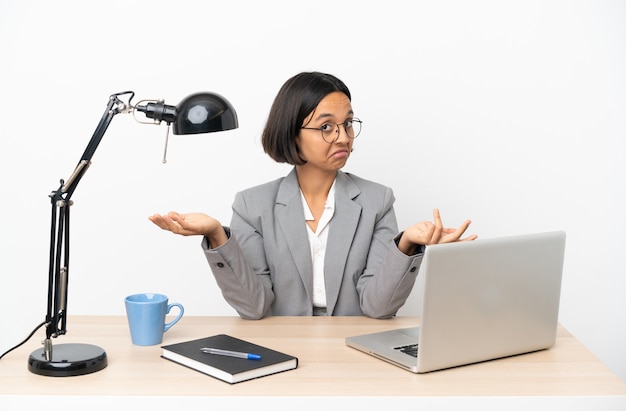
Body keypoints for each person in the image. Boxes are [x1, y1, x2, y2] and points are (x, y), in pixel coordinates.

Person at [149, 72, 477, 320]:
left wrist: (407, 244)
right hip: (281, 347)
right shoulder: (252, 206)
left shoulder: (377, 201)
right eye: (326, 126)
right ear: (292, 131)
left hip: (355, 349)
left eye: (348, 123)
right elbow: (254, 306)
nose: (343, 137)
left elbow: (378, 308)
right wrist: (217, 235)